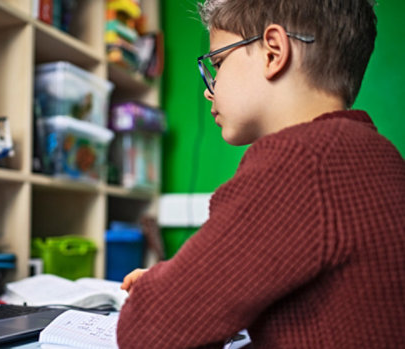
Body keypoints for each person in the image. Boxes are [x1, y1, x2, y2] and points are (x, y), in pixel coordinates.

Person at [116, 0, 405, 348]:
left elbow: (149, 330)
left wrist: (160, 289)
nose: (210, 89)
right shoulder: (377, 155)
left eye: (218, 63)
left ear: (273, 52)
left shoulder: (299, 161)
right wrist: (183, 282)